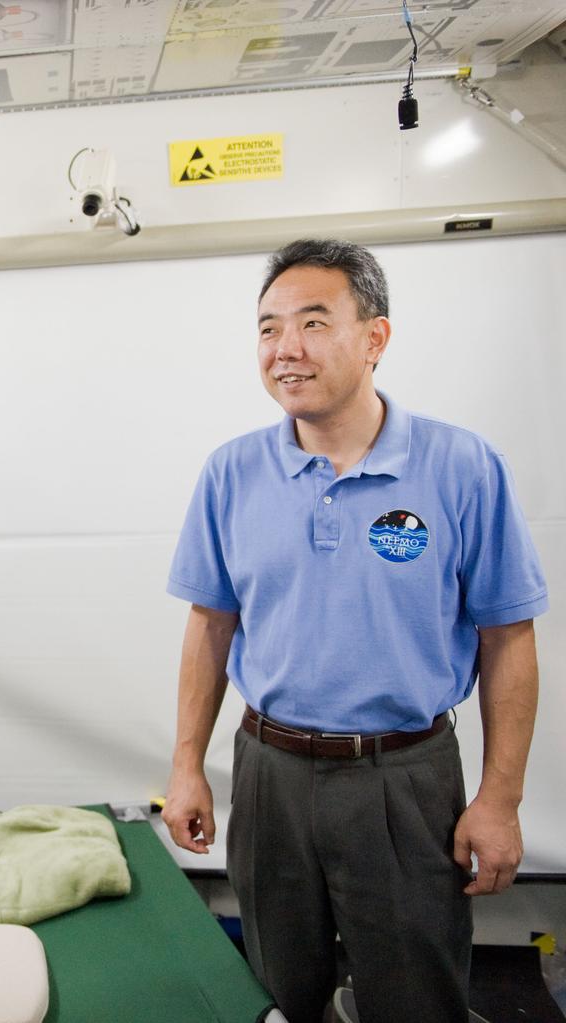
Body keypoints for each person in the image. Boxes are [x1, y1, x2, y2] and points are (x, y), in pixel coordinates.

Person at [161, 239, 546, 1023]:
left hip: (403, 777)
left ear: (376, 337)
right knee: (279, 988)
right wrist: (187, 763)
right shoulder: (231, 472)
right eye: (268, 328)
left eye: (313, 322)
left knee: (416, 994)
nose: (286, 349)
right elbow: (211, 623)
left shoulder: (462, 466)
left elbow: (509, 639)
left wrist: (500, 798)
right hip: (268, 773)